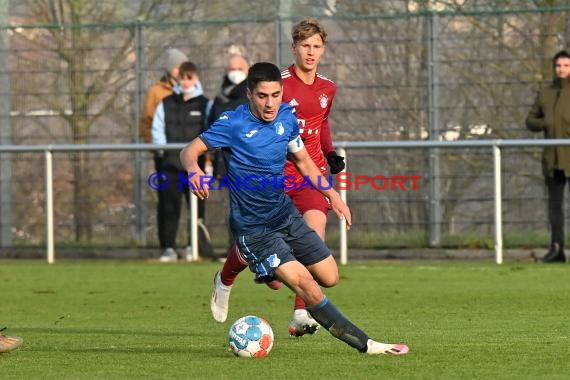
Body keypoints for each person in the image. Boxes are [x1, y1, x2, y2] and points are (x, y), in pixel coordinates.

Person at [180, 62, 410, 355]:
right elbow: (189, 150)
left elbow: (303, 162)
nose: (270, 103)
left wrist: (332, 195)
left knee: (329, 277)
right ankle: (367, 344)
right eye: (263, 96)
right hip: (254, 230)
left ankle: (247, 267)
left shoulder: (287, 117)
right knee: (308, 286)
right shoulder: (232, 123)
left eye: (276, 95)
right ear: (250, 94)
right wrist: (192, 169)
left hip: (284, 215)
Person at [212, 18, 346, 336]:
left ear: (323, 49)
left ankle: (301, 313)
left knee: (315, 232)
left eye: (317, 46)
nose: (311, 52)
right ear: (294, 47)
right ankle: (226, 277)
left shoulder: (328, 88)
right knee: (254, 252)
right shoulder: (279, 86)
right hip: (272, 178)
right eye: (305, 46)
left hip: (308, 174)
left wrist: (328, 153)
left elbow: (321, 124)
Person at [152, 61, 214, 262]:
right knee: (169, 208)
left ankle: (193, 246)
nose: (186, 83)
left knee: (197, 208)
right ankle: (169, 247)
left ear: (196, 78)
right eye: (183, 78)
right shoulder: (166, 103)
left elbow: (210, 133)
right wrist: (164, 151)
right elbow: (157, 130)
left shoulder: (206, 104)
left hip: (196, 167)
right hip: (170, 165)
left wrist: (205, 161)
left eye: (190, 78)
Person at [526, 49, 570, 264]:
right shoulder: (546, 93)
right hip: (552, 158)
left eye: (566, 66)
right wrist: (546, 124)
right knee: (555, 206)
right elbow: (530, 121)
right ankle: (556, 249)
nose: (561, 70)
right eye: (558, 66)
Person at [207, 53, 250, 180]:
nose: (236, 73)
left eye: (240, 69)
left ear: (247, 70)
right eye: (232, 69)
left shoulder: (253, 97)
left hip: (247, 164)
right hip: (223, 164)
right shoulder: (220, 99)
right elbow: (211, 125)